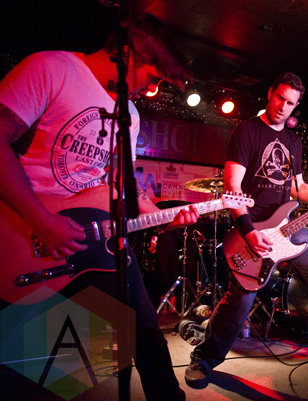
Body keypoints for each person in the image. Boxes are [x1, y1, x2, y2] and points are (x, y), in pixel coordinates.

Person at [0, 13, 199, 400]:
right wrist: (41, 221)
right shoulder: (52, 68)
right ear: (126, 54)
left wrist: (167, 217)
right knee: (21, 361)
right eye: (153, 77)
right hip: (27, 233)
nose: (152, 89)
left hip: (94, 238)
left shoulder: (130, 115)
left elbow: (120, 188)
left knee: (142, 331)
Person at [185, 72, 308, 385]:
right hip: (253, 226)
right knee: (240, 299)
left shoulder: (293, 141)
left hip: (289, 225)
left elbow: (298, 188)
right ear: (270, 94)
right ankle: (204, 357)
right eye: (280, 98)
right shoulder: (247, 131)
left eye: (291, 103)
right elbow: (232, 187)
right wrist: (248, 231)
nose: (284, 106)